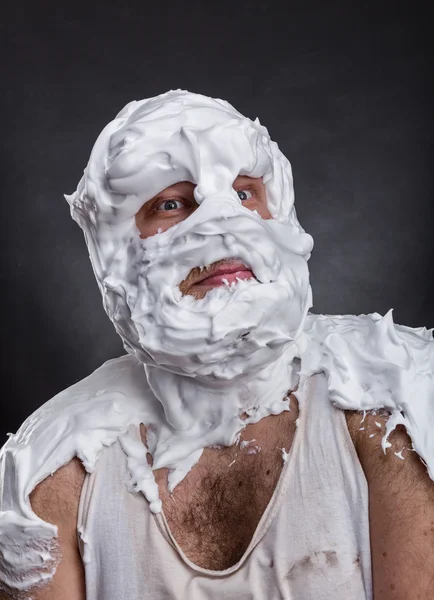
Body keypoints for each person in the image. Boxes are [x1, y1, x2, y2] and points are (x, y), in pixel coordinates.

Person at [0, 90, 433, 600]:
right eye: (171, 203)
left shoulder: (398, 395)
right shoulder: (49, 469)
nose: (223, 224)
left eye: (243, 193)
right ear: (115, 253)